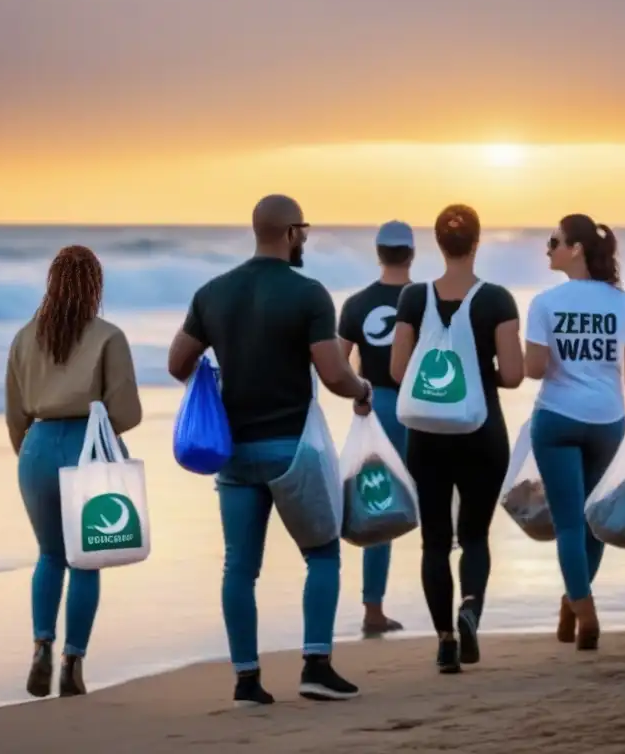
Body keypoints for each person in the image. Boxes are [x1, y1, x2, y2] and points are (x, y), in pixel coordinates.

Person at [168, 194, 373, 705]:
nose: (306, 237)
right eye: (304, 229)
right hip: (291, 450)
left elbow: (177, 363)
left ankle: (246, 680)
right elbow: (332, 374)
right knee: (322, 552)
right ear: (290, 233)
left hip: (233, 452)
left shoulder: (212, 293)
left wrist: (222, 366)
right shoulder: (308, 294)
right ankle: (316, 668)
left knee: (239, 566)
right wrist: (363, 389)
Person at [390, 204, 524, 674]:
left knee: (434, 541)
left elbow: (397, 371)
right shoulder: (498, 300)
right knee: (474, 536)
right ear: (477, 241)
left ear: (437, 244)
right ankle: (470, 607)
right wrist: (476, 370)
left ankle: (445, 641)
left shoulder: (412, 297)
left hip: (426, 434)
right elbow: (512, 374)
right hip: (481, 431)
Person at [5, 245, 143, 698]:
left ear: (52, 283)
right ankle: (72, 662)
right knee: (87, 558)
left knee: (49, 554)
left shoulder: (25, 337)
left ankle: (41, 645)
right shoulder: (108, 336)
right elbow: (127, 413)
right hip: (88, 447)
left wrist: (28, 454)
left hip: (37, 448)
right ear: (95, 286)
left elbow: (14, 413)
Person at [524, 215, 625, 650]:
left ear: (574, 249)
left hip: (556, 416)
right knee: (595, 524)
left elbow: (534, 371)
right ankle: (574, 601)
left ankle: (583, 607)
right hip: (606, 420)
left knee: (569, 524)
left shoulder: (544, 303)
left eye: (553, 240)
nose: (548, 247)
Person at [337, 220, 415, 636]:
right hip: (423, 408)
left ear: (378, 252)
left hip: (377, 407)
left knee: (378, 506)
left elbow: (337, 364)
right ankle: (452, 604)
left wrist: (359, 392)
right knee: (436, 502)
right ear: (412, 254)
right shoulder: (427, 298)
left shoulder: (356, 304)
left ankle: (373, 608)